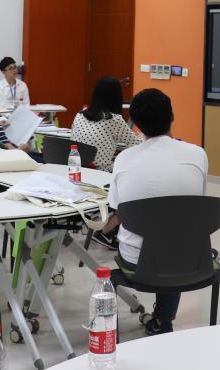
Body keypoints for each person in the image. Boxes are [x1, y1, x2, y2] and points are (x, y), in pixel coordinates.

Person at [108, 88, 208, 336]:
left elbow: (118, 210)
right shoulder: (198, 154)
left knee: (157, 239)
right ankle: (163, 320)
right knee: (174, 236)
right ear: (172, 116)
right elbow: (197, 201)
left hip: (137, 261)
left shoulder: (123, 159)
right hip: (190, 259)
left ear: (136, 125)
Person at [72, 76, 140, 173]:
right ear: (117, 97)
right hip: (101, 172)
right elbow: (136, 143)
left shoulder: (80, 114)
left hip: (76, 170)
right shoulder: (114, 120)